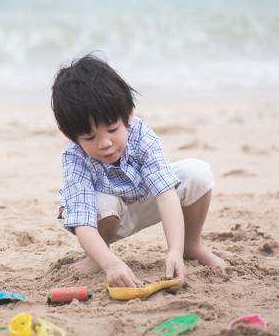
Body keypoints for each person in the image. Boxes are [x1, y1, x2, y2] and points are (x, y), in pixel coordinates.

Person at [52, 54, 226, 288]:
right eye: (90, 137)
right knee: (102, 204)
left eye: (113, 129)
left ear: (129, 114)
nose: (104, 143)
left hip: (145, 200)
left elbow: (165, 194)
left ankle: (189, 245)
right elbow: (82, 220)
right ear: (69, 134)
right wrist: (111, 264)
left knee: (197, 172)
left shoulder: (141, 133)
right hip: (105, 219)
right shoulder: (75, 156)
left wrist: (173, 249)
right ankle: (97, 257)